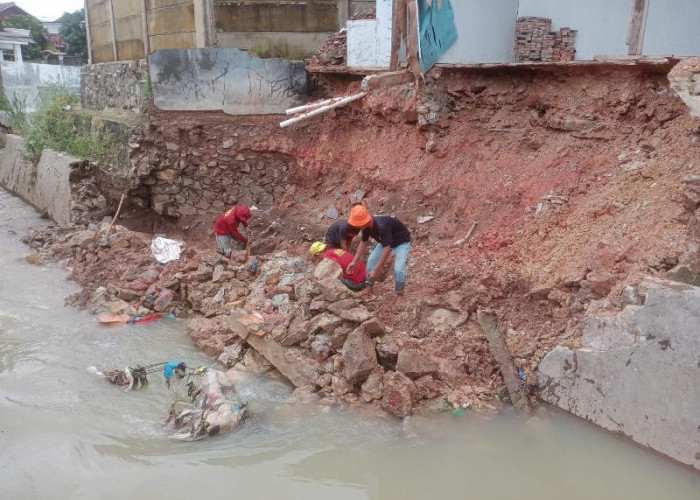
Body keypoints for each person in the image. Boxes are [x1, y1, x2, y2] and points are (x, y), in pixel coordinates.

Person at [346, 205, 411, 295]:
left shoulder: (381, 225)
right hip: (385, 242)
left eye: (358, 224)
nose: (357, 227)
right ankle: (369, 288)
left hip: (401, 242)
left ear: (364, 222)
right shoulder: (366, 227)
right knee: (371, 260)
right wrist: (354, 261)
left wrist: (376, 270)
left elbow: (387, 250)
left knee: (399, 269)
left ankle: (399, 294)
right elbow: (363, 242)